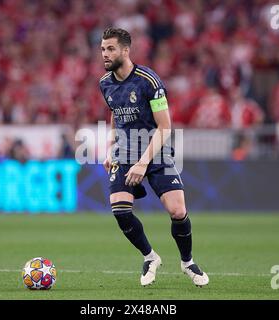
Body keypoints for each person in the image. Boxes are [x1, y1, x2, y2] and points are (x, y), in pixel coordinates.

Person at [99, 27, 209, 287]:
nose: (105, 53)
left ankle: (187, 261)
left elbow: (165, 127)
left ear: (126, 50)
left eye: (111, 48)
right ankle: (150, 257)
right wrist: (108, 147)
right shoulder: (105, 83)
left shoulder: (148, 81)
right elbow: (115, 113)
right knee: (120, 210)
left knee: (178, 210)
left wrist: (143, 161)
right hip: (124, 152)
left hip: (155, 150)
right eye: (103, 48)